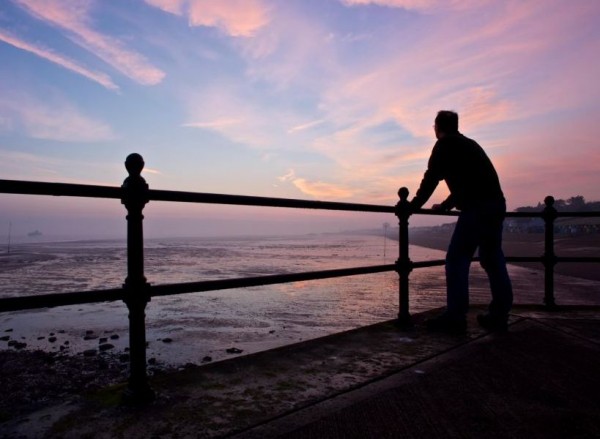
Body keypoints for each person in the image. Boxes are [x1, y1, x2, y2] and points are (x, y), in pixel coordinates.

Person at [410, 110, 513, 333]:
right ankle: (499, 315)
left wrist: (412, 206)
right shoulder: (470, 145)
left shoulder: (444, 145)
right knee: (493, 259)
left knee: (457, 259)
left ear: (438, 127)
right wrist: (447, 205)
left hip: (477, 208)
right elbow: (469, 182)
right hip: (495, 204)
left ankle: (455, 318)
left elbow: (431, 178)